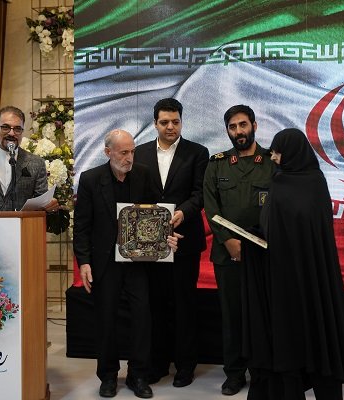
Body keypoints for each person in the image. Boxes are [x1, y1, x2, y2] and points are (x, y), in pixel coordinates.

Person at [241, 128, 344, 400]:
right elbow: (276, 224)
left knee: (316, 335)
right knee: (290, 337)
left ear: (292, 152)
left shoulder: (313, 182)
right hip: (284, 276)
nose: (274, 157)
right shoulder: (280, 180)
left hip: (309, 276)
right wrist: (255, 235)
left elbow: (308, 229)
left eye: (278, 152)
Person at [74, 129, 180, 399]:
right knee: (106, 319)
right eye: (123, 152)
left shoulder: (143, 174)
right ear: (107, 152)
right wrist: (84, 262)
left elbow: (156, 212)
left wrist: (167, 236)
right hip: (105, 261)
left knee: (142, 318)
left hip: (138, 260)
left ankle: (139, 375)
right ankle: (108, 376)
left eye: (132, 151)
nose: (129, 157)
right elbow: (82, 226)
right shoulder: (90, 179)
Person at [134, 98, 209, 387]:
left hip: (184, 240)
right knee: (156, 306)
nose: (170, 127)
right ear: (155, 123)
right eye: (164, 122)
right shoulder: (140, 153)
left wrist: (181, 214)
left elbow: (200, 194)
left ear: (181, 122)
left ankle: (185, 366)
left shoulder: (197, 153)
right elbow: (136, 195)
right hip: (150, 243)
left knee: (184, 305)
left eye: (175, 121)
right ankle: (158, 364)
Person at [203, 105, 273, 396]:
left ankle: (261, 372)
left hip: (263, 254)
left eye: (243, 125)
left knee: (262, 315)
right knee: (232, 316)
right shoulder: (217, 163)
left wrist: (256, 244)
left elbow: (278, 208)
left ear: (254, 125)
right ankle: (233, 373)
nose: (238, 131)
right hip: (226, 253)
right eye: (232, 127)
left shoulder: (271, 162)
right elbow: (211, 206)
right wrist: (228, 240)